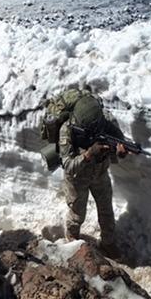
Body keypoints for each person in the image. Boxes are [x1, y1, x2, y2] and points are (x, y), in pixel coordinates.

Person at [55, 90, 128, 256]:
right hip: (77, 179)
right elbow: (68, 165)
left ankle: (108, 244)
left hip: (100, 173)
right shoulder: (67, 130)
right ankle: (72, 242)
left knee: (106, 212)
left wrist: (119, 153)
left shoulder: (106, 121)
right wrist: (88, 155)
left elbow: (118, 142)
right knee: (77, 214)